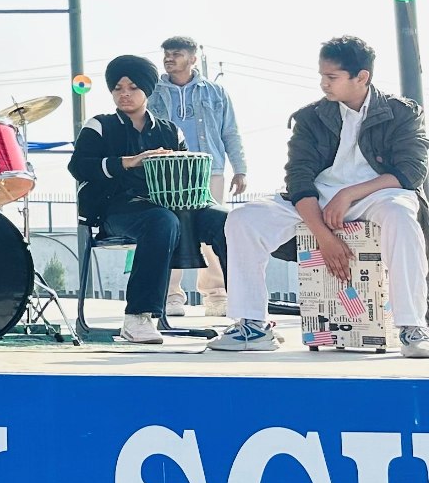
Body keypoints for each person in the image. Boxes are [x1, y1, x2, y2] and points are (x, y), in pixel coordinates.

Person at [210, 36, 429, 357]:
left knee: (401, 213)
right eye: (322, 75)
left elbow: (412, 172)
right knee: (243, 218)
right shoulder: (310, 117)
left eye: (332, 77)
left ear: (362, 77)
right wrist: (324, 236)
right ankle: (253, 325)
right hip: (318, 198)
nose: (323, 83)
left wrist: (350, 193)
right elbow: (298, 178)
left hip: (379, 194)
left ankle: (412, 327)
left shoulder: (401, 113)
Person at [67, 54, 229, 345]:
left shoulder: (169, 130)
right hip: (116, 210)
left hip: (171, 208)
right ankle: (138, 317)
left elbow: (184, 175)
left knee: (227, 221)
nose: (124, 94)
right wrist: (128, 161)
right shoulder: (100, 125)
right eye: (118, 88)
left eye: (133, 87)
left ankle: (249, 316)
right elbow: (78, 166)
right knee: (161, 220)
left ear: (148, 90)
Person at [148, 36, 248, 317]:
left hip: (209, 170)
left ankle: (216, 295)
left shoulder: (215, 92)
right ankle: (171, 295)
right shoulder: (153, 92)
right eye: (166, 54)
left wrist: (240, 169)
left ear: (193, 59)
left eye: (176, 54)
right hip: (166, 173)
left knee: (214, 231)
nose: (169, 58)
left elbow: (230, 132)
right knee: (170, 231)